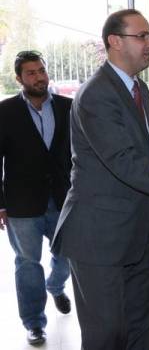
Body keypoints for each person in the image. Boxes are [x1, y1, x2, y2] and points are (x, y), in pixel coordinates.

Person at [51, 9, 149, 350]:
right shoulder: (96, 94)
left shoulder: (138, 89)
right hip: (99, 237)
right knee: (107, 334)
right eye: (142, 36)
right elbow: (124, 161)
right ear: (115, 42)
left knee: (140, 327)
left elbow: (145, 159)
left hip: (138, 232)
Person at [0, 50, 73, 346]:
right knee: (28, 264)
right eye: (31, 73)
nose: (39, 77)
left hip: (64, 199)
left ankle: (55, 285)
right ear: (19, 79)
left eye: (41, 70)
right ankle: (34, 323)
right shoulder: (5, 112)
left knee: (69, 254)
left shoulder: (69, 107)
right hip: (22, 203)